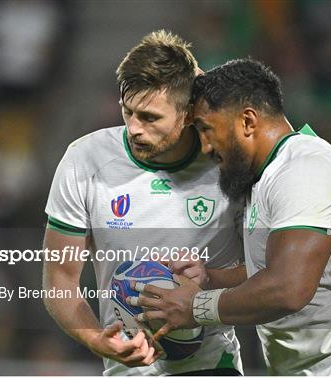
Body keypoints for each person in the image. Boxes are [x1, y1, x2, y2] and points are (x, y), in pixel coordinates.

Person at [132, 59, 331, 375]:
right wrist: (209, 277)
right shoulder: (267, 177)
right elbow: (269, 271)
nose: (204, 146)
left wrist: (196, 308)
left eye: (206, 129)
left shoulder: (303, 169)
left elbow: (288, 288)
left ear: (248, 121)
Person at [42, 31, 245, 376]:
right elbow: (59, 278)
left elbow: (272, 273)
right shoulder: (84, 160)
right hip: (128, 369)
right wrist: (96, 339)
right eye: (128, 111)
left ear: (187, 113)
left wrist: (210, 279)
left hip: (212, 365)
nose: (134, 128)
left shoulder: (230, 164)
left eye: (150, 117)